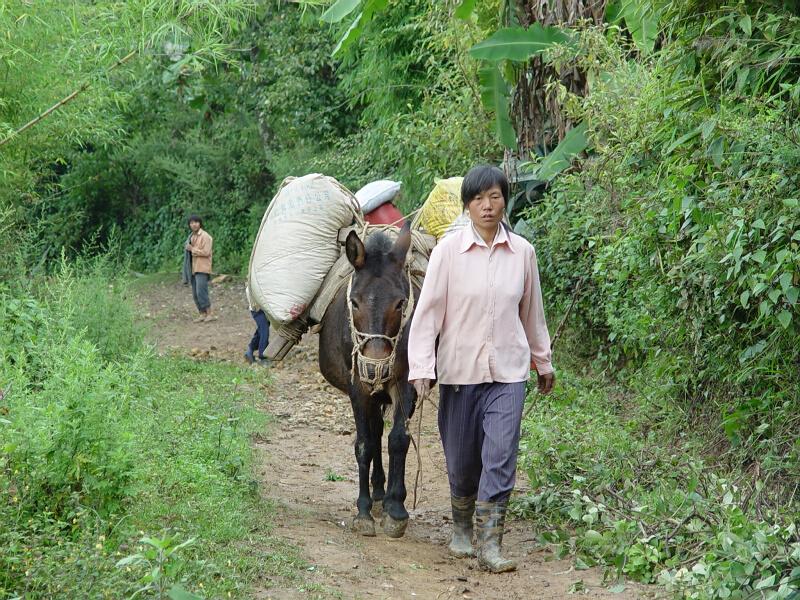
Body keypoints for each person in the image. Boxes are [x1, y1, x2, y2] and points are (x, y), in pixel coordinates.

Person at [408, 165, 556, 573]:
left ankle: (490, 543)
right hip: (459, 372)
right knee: (461, 460)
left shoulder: (523, 253)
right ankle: (461, 527)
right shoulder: (448, 253)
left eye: (494, 197)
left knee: (501, 455)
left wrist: (542, 362)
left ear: (505, 200)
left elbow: (532, 313)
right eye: (477, 199)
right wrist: (421, 366)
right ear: (467, 206)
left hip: (508, 372)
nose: (487, 206)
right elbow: (428, 315)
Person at [185, 215, 216, 323]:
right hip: (193, 268)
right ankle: (202, 314)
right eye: (191, 223)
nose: (194, 224)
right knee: (195, 293)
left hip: (202, 268)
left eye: (196, 222)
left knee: (201, 291)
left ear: (200, 223)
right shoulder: (191, 237)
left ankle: (209, 313)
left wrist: (192, 249)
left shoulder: (205, 236)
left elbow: (206, 252)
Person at [244, 283, 271, 366]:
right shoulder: (250, 288)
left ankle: (250, 349)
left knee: (261, 330)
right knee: (264, 330)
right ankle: (263, 356)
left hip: (264, 309)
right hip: (257, 310)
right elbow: (254, 305)